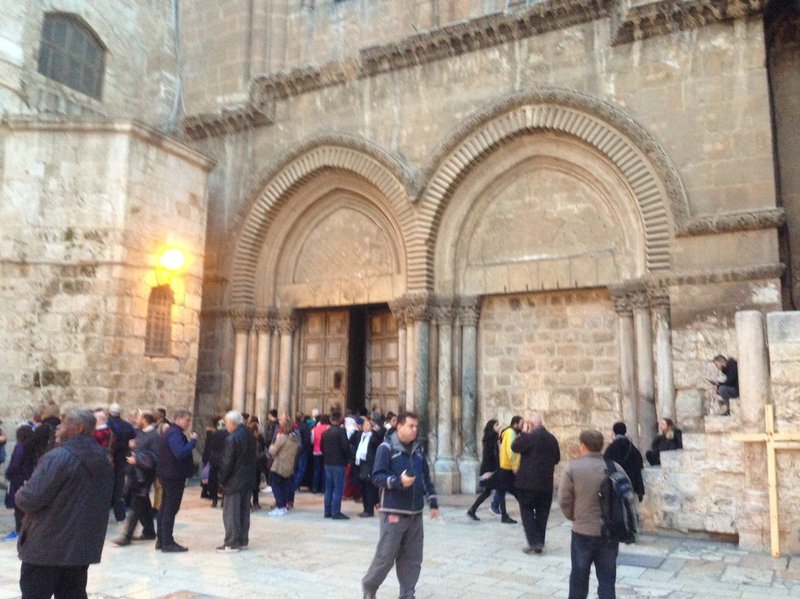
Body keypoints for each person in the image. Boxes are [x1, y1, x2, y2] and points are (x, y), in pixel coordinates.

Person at [15, 409, 114, 599]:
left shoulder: (58, 457)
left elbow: (29, 499)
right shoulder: (103, 458)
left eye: (64, 423)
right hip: (80, 547)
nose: (58, 427)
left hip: (46, 547)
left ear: (78, 428)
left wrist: (22, 490)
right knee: (72, 593)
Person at [362, 411, 439, 599]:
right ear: (399, 427)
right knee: (386, 556)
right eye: (410, 426)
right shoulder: (386, 448)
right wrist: (398, 481)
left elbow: (425, 477)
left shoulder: (419, 450)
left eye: (416, 427)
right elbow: (377, 476)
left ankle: (407, 594)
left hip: (415, 513)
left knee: (412, 558)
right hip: (393, 511)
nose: (414, 430)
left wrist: (433, 502)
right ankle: (370, 585)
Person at [559, 429, 629, 599]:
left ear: (583, 446)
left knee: (579, 577)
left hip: (583, 531)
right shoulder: (615, 467)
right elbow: (627, 496)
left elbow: (564, 500)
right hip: (609, 532)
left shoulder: (573, 468)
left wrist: (575, 516)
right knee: (607, 579)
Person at [512, 414, 560, 554]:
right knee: (542, 514)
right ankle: (539, 541)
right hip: (546, 484)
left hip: (527, 483)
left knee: (526, 510)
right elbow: (557, 459)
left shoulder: (529, 437)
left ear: (531, 425)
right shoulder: (552, 439)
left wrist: (524, 433)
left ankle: (534, 541)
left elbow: (514, 446)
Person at [113, 410, 159, 546]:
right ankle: (149, 531)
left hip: (144, 476)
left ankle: (126, 536)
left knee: (137, 504)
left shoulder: (154, 436)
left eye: (137, 418)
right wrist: (133, 447)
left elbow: (155, 457)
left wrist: (137, 459)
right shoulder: (140, 433)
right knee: (143, 503)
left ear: (145, 419)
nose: (135, 420)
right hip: (134, 474)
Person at [156, 408, 197, 552]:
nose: (188, 424)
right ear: (178, 419)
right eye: (187, 420)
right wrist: (192, 442)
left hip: (169, 475)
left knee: (166, 507)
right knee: (170, 508)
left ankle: (161, 540)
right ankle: (166, 542)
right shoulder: (174, 433)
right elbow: (179, 452)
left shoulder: (171, 432)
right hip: (173, 476)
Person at [217, 410, 257, 553]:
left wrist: (221, 480)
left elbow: (227, 463)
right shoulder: (250, 435)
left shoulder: (232, 438)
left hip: (234, 481)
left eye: (227, 422)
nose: (226, 426)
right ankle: (242, 539)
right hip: (247, 480)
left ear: (232, 422)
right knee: (243, 511)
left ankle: (232, 542)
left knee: (231, 512)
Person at [4, 424, 36, 541]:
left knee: (17, 506)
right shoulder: (33, 447)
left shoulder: (20, 447)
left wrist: (8, 474)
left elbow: (15, 464)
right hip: (28, 479)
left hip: (18, 479)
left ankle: (19, 530)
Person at [350, 414, 384, 517]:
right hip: (360, 464)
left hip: (370, 465)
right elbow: (351, 440)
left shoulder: (374, 437)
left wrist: (378, 430)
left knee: (369, 488)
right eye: (364, 425)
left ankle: (369, 510)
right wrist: (356, 430)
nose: (365, 427)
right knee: (363, 488)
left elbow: (381, 437)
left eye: (368, 425)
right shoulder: (360, 435)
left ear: (372, 427)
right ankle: (365, 508)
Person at [466, 418, 500, 520]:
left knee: (489, 491)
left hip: (491, 469)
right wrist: (488, 472)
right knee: (493, 490)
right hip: (489, 469)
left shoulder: (492, 438)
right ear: (492, 427)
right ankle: (497, 510)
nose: (499, 427)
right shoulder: (490, 439)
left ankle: (473, 510)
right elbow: (488, 456)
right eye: (496, 425)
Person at [267, 413, 300, 516]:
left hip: (279, 465)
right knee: (285, 486)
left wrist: (271, 445)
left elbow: (272, 451)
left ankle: (280, 506)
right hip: (289, 464)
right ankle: (284, 505)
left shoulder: (282, 437)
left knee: (275, 485)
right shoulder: (295, 438)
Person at [321, 410, 352, 519]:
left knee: (328, 488)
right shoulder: (341, 432)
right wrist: (348, 459)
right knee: (338, 488)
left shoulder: (325, 433)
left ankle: (327, 511)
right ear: (340, 420)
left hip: (328, 463)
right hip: (339, 463)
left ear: (330, 419)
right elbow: (345, 447)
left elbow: (322, 448)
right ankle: (335, 512)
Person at [108, 402, 135, 522]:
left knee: (108, 486)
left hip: (110, 458)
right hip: (122, 458)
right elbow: (133, 440)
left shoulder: (107, 425)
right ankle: (120, 515)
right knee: (119, 486)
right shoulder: (128, 426)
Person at [603, 422, 645, 501]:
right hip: (632, 483)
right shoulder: (631, 447)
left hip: (617, 484)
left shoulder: (611, 448)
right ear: (625, 431)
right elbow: (639, 463)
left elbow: (605, 464)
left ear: (614, 432)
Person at [496, 415, 523, 524]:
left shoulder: (508, 433)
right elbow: (511, 450)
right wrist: (515, 466)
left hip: (504, 466)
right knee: (516, 491)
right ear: (515, 424)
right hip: (508, 467)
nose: (522, 427)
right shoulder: (511, 433)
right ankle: (526, 510)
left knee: (504, 492)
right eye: (521, 425)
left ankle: (504, 515)